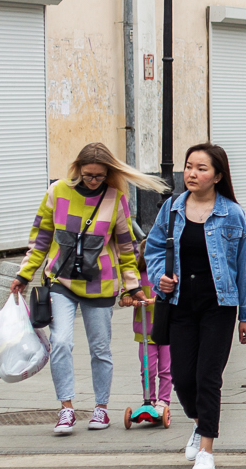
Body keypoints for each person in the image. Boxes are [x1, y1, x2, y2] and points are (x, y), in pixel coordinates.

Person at [10, 142, 163, 435]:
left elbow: (127, 249)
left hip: (101, 284)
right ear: (77, 168)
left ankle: (101, 409)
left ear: (108, 173)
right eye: (88, 174)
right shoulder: (57, 192)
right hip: (61, 281)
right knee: (62, 342)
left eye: (99, 176)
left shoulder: (115, 199)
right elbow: (40, 239)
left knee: (100, 348)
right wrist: (24, 274)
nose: (93, 180)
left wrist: (133, 288)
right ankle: (66, 409)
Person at [144, 143, 246, 469]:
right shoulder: (172, 210)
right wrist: (158, 279)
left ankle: (206, 449)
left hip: (219, 306)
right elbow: (152, 249)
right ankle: (199, 422)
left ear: (218, 175)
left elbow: (244, 265)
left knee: (208, 377)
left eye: (201, 168)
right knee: (182, 379)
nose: (192, 173)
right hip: (180, 305)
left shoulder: (231, 214)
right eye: (189, 166)